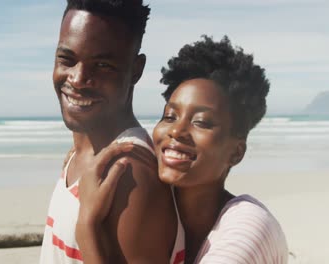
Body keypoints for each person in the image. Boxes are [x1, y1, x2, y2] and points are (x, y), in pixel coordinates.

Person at [75, 36, 289, 263]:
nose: (176, 131)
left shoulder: (249, 228)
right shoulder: (158, 216)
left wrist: (87, 229)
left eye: (201, 122)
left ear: (236, 152)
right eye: (170, 116)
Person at [39, 1, 183, 263]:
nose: (78, 78)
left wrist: (87, 228)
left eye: (103, 65)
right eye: (66, 59)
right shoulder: (83, 148)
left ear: (136, 70)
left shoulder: (128, 174)